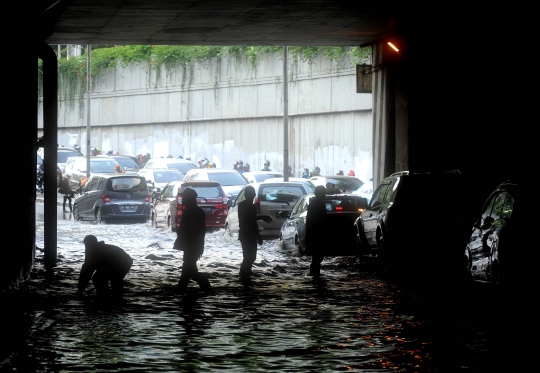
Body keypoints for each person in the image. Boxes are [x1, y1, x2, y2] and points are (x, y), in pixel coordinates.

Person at [174, 188, 211, 293]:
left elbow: (196, 231)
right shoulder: (197, 212)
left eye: (184, 197)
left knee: (188, 270)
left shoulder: (191, 212)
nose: (182, 199)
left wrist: (198, 247)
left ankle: (204, 284)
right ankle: (202, 287)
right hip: (193, 246)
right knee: (188, 269)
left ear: (189, 198)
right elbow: (201, 231)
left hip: (191, 246)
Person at [237, 186, 273, 281]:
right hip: (248, 234)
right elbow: (251, 221)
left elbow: (250, 219)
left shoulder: (242, 205)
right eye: (251, 193)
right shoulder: (249, 206)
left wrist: (260, 218)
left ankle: (245, 274)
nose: (252, 195)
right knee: (250, 257)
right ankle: (244, 274)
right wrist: (258, 236)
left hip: (244, 234)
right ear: (252, 195)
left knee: (248, 256)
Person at [305, 185, 327, 277]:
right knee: (318, 255)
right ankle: (314, 274)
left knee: (317, 256)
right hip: (317, 233)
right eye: (323, 193)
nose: (324, 195)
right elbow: (312, 220)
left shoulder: (316, 204)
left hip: (316, 233)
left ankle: (314, 274)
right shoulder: (318, 204)